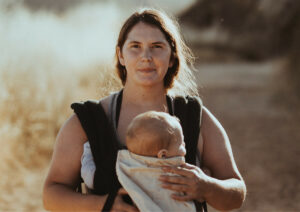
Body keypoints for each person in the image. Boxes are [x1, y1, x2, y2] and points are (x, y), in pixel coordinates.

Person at [43, 8, 246, 212]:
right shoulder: (88, 121)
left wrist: (206, 187)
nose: (146, 56)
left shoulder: (194, 117)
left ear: (172, 56)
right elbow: (51, 194)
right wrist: (103, 205)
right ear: (120, 56)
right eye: (135, 46)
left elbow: (236, 192)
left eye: (157, 46)